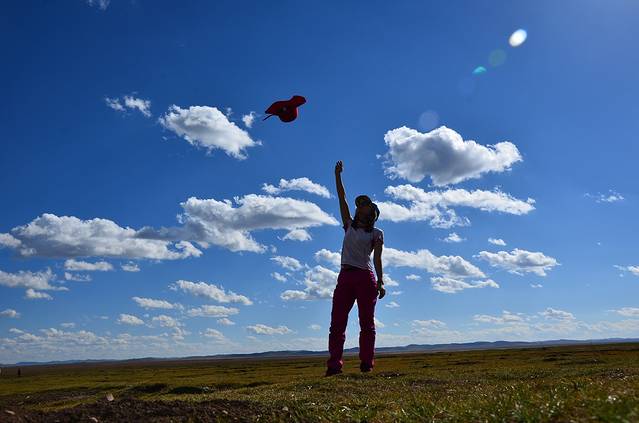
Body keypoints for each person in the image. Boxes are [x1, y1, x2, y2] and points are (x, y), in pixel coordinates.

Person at [325, 160, 385, 377]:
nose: (359, 208)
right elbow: (341, 198)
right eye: (358, 205)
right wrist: (337, 175)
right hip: (345, 277)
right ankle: (334, 366)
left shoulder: (376, 233)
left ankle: (367, 364)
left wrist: (381, 281)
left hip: (365, 278)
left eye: (364, 205)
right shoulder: (348, 225)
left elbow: (377, 259)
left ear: (372, 212)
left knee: (366, 324)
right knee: (337, 323)